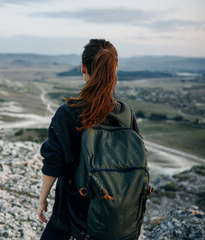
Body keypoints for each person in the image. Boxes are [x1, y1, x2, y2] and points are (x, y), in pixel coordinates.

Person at [36, 39, 141, 239]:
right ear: (115, 71)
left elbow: (53, 164)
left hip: (72, 215)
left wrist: (42, 200)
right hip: (118, 216)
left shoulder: (67, 114)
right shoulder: (126, 114)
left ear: (83, 68)